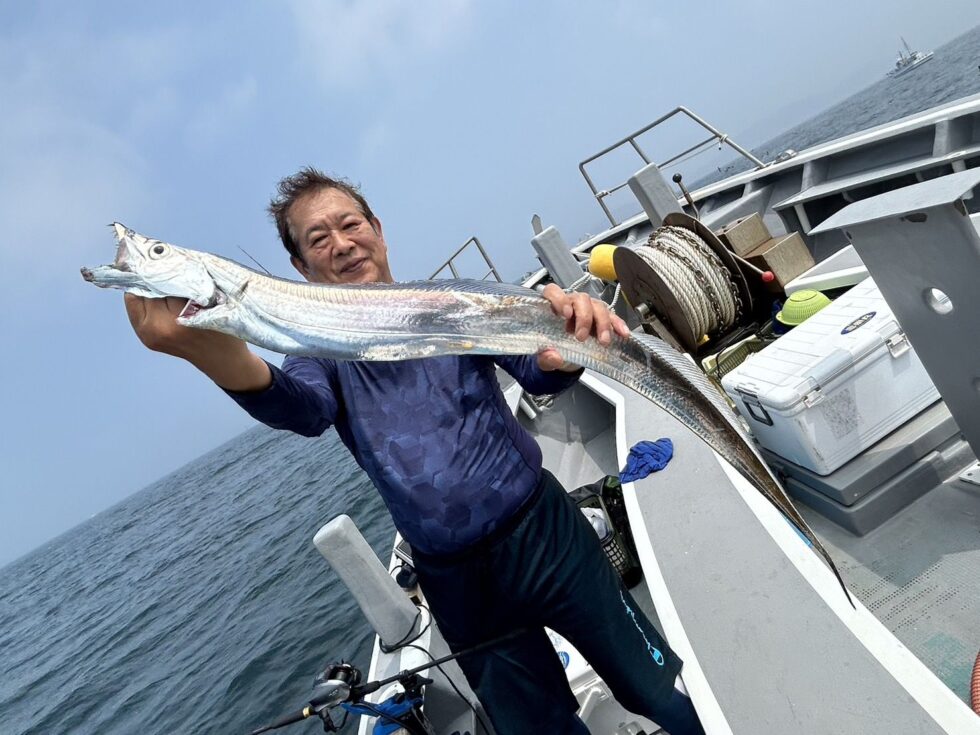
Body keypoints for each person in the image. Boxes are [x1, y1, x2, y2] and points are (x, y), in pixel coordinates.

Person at [124, 167, 704, 735]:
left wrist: (567, 352)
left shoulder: (455, 302)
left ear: (377, 228)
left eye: (350, 224)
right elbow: (301, 411)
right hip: (456, 583)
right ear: (301, 268)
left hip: (545, 536)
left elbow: (539, 373)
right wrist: (202, 351)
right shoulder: (319, 353)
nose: (342, 245)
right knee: (539, 726)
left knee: (650, 686)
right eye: (318, 240)